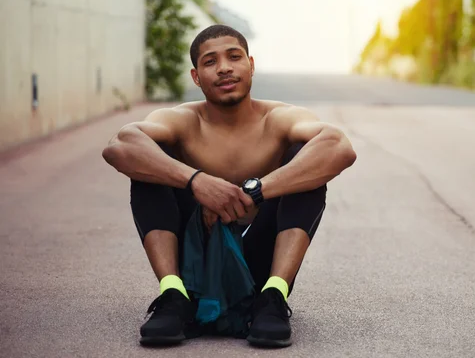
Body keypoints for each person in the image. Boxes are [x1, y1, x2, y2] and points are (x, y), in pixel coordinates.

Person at [102, 24, 357, 348]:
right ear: (196, 77)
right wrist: (196, 181)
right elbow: (121, 144)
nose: (224, 67)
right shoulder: (182, 120)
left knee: (306, 161)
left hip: (258, 263)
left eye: (234, 57)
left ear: (250, 64)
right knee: (151, 161)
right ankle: (173, 295)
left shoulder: (278, 118)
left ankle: (273, 298)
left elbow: (338, 146)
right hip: (193, 257)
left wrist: (256, 190)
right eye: (210, 61)